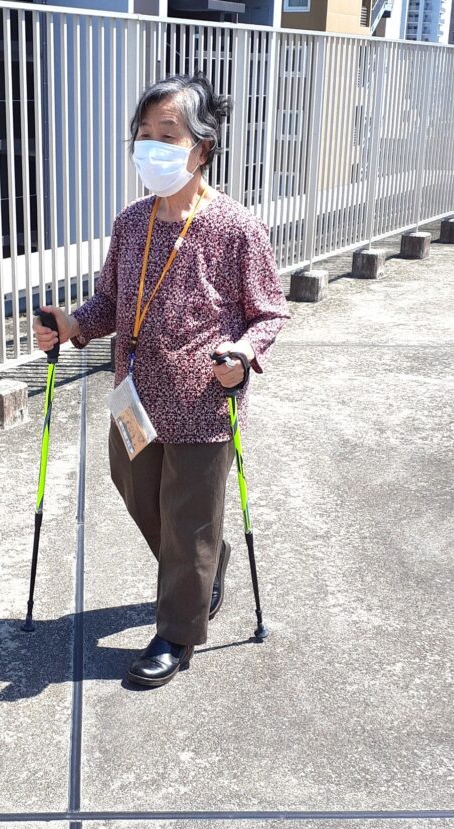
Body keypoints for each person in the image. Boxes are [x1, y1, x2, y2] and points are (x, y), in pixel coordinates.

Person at [34, 71, 291, 688]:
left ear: (202, 147)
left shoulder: (236, 227)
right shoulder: (131, 223)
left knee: (190, 517)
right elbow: (110, 303)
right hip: (134, 394)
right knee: (137, 491)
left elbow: (269, 310)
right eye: (143, 134)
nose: (151, 147)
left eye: (167, 134)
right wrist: (72, 324)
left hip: (204, 398)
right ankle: (204, 564)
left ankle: (177, 632)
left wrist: (243, 353)